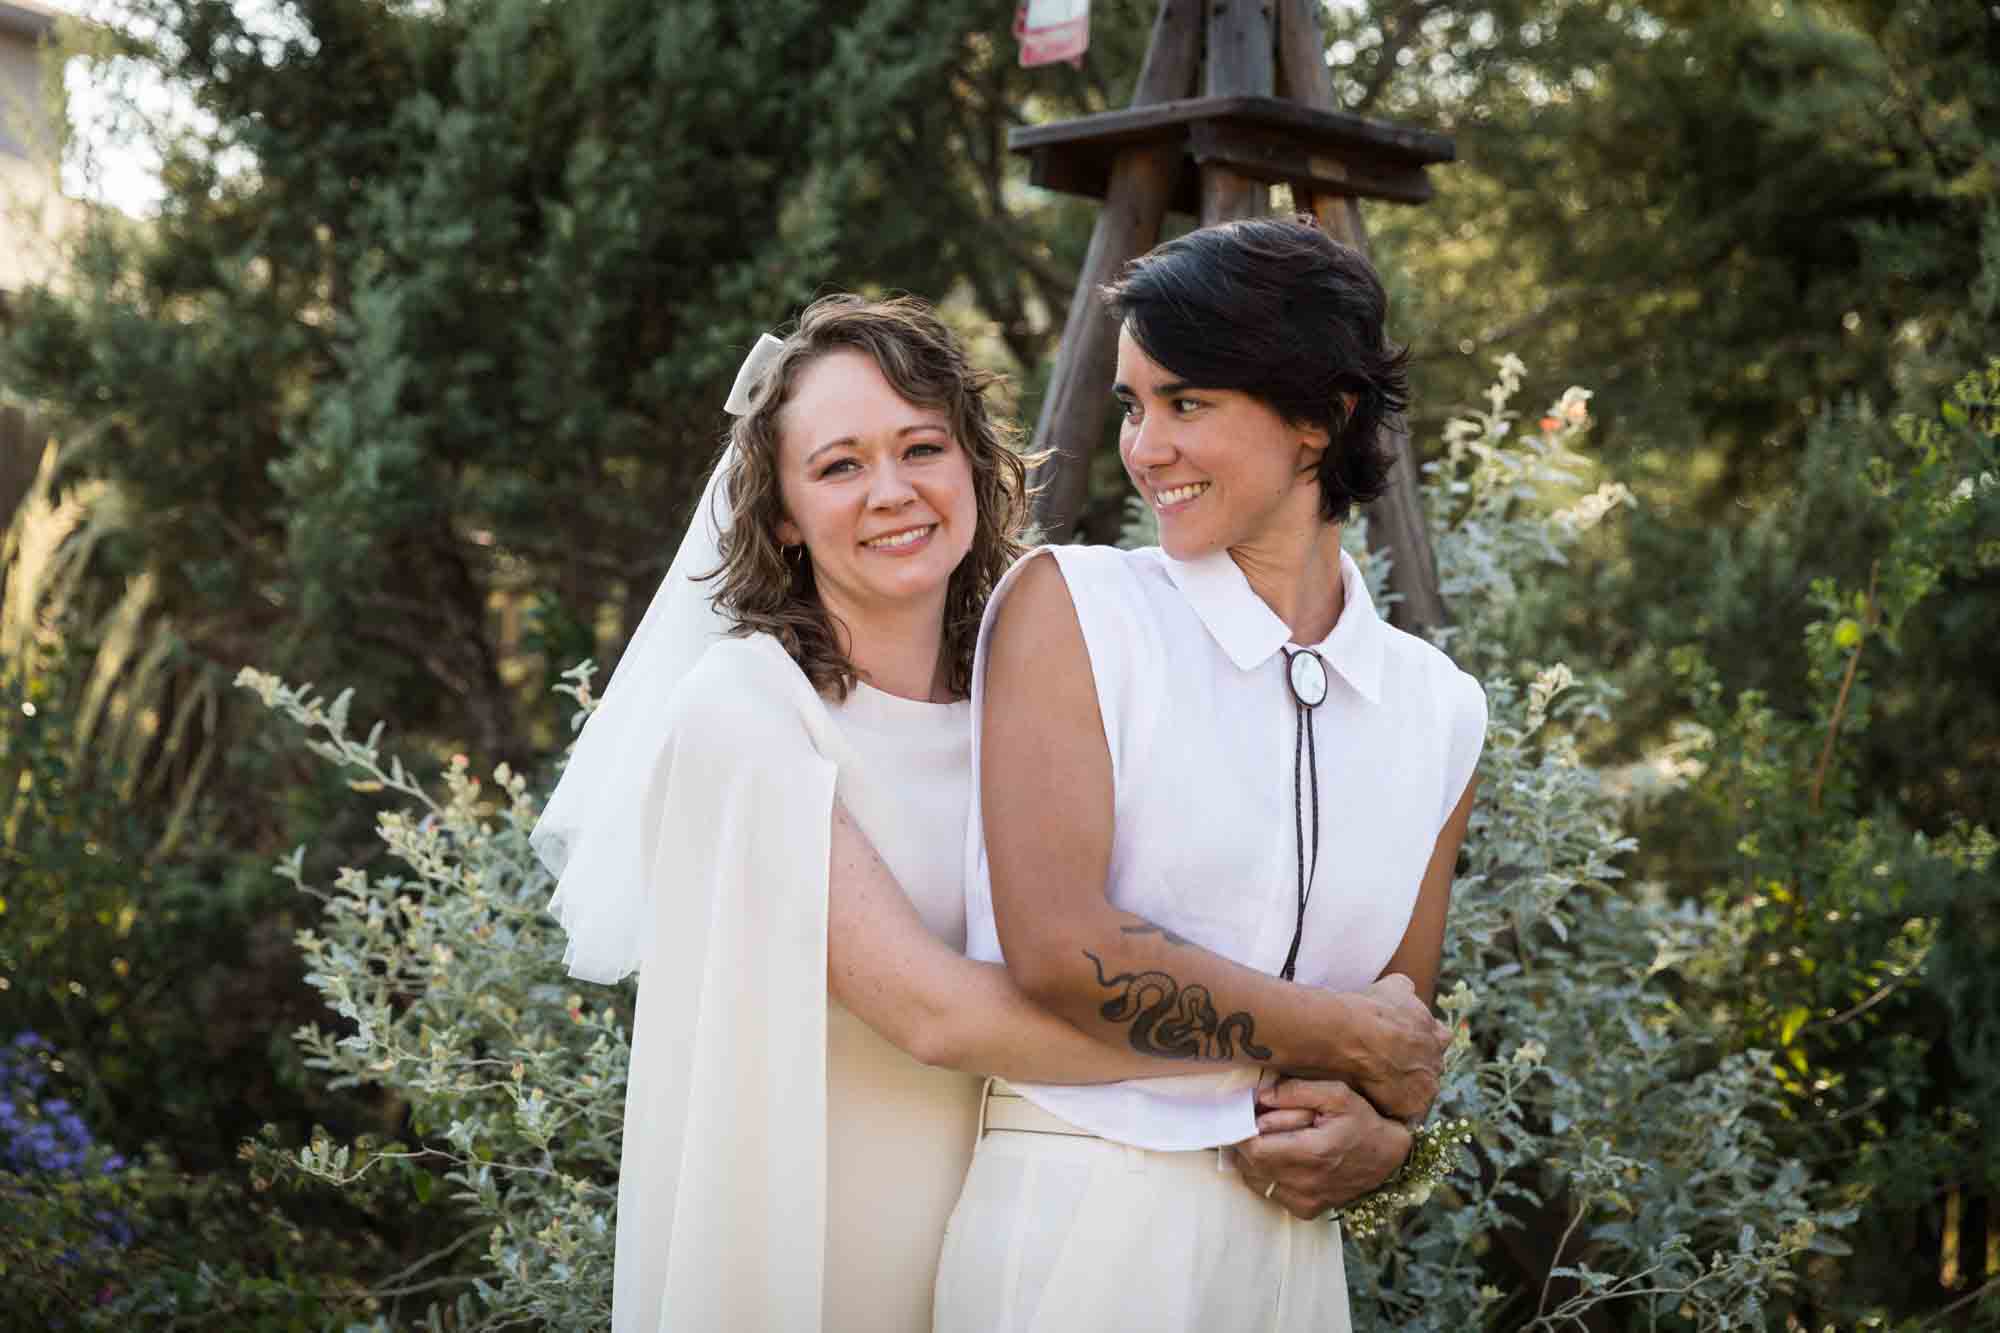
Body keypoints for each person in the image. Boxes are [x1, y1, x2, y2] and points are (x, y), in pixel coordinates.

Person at [531, 294, 1385, 1333]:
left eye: (920, 447)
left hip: (1034, 1243)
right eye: (839, 465)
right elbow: (936, 1013)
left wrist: (1366, 1112)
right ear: (783, 513)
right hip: (823, 1244)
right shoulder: (746, 712)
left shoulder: (1025, 698)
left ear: (975, 465)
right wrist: (1307, 1050)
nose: (890, 491)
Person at [933, 217, 1486, 1332]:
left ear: (1318, 418)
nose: (1144, 448)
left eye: (1187, 403)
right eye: (1134, 406)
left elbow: (1397, 1035)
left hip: (1292, 1255)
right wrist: (1345, 1039)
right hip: (1084, 1226)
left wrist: (1384, 1142)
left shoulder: (1438, 707)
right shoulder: (1076, 607)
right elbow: (1061, 950)